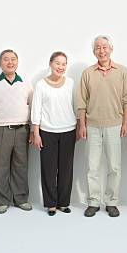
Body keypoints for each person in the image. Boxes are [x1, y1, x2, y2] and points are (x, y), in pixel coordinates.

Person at [76, 35, 127, 218]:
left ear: (111, 49)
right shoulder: (87, 73)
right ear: (94, 52)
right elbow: (81, 102)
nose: (102, 50)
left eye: (105, 47)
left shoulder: (122, 71)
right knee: (92, 167)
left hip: (115, 125)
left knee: (114, 167)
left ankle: (112, 202)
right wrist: (82, 125)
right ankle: (93, 202)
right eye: (98, 48)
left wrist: (125, 123)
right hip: (92, 126)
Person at [0, 49, 33, 214]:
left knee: (21, 166)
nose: (10, 62)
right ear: (0, 63)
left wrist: (32, 129)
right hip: (0, 130)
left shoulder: (25, 83)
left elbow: (33, 107)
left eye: (13, 59)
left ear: (17, 62)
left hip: (22, 129)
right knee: (0, 166)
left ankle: (21, 199)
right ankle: (2, 200)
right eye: (6, 59)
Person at [31, 52, 77, 216]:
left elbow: (76, 105)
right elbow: (36, 109)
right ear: (50, 64)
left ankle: (63, 203)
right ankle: (51, 203)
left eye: (64, 64)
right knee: (48, 169)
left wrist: (78, 126)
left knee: (66, 169)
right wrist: (35, 132)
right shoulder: (40, 85)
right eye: (57, 63)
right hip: (47, 131)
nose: (61, 67)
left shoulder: (71, 83)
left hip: (69, 130)